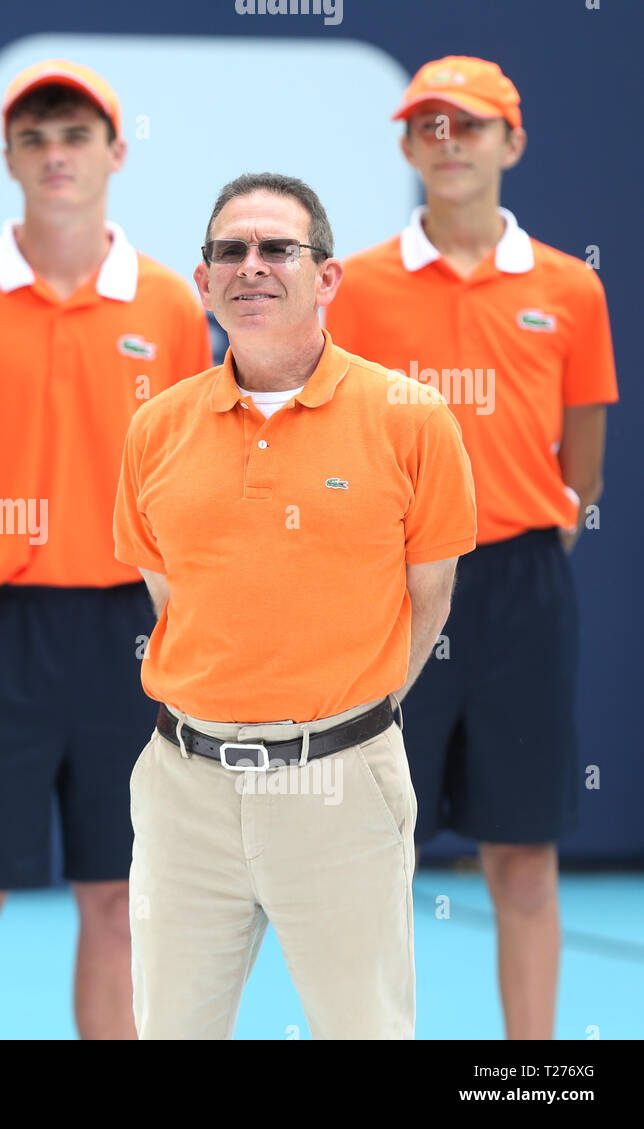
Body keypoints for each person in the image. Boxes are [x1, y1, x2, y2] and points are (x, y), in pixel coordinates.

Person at [0, 59, 212, 1039]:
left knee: (118, 900)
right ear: (10, 157)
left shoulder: (163, 305)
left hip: (128, 636)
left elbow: (194, 473)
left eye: (75, 137)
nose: (56, 156)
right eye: (35, 138)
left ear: (115, 152)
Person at [115, 172, 477, 1039]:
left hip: (342, 784)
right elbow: (175, 595)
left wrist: (341, 716)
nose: (252, 266)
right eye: (229, 251)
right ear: (202, 282)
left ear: (328, 276)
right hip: (183, 789)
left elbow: (428, 598)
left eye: (278, 247)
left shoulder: (411, 418)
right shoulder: (155, 429)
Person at [323, 56, 618, 1040]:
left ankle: (527, 1067)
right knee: (374, 851)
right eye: (429, 127)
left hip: (519, 592)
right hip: (386, 588)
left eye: (470, 125)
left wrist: (542, 520)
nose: (448, 143)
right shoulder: (352, 288)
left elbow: (582, 451)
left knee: (522, 856)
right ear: (406, 147)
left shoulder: (570, 288)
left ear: (511, 141)